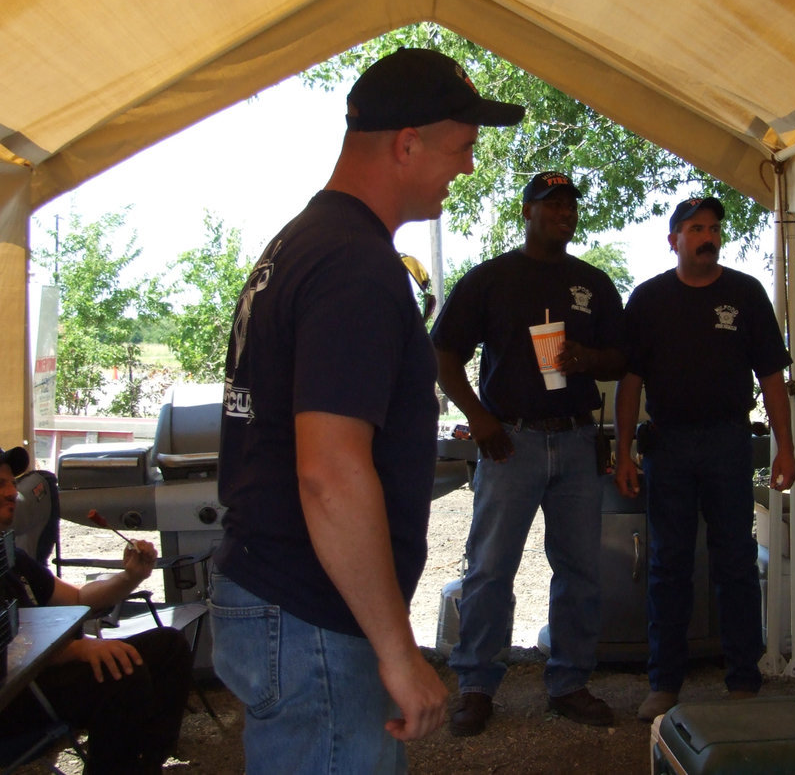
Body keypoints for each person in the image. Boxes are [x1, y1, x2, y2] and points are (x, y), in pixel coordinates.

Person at [213, 47, 525, 773]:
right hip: (311, 615)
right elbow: (328, 472)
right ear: (406, 144)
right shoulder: (353, 265)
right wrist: (398, 650)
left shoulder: (304, 243)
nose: (468, 167)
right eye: (462, 146)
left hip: (282, 597)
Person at [431, 171, 625, 736]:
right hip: (508, 443)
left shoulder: (593, 283)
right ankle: (476, 685)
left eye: (570, 205)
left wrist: (587, 359)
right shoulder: (491, 278)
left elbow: (623, 357)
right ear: (527, 212)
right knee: (491, 568)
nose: (564, 213)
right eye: (552, 204)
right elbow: (443, 353)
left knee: (580, 569)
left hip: (577, 440)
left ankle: (569, 683)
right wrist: (479, 417)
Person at [613, 196, 795, 723]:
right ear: (673, 240)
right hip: (667, 445)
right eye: (695, 228)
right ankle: (664, 683)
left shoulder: (745, 293)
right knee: (668, 565)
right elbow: (630, 382)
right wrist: (623, 452)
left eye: (713, 228)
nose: (707, 237)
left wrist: (785, 448)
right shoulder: (648, 298)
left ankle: (743, 679)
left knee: (736, 560)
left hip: (728, 442)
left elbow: (772, 377)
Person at [0, 445, 192, 774]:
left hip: (40, 676)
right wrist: (75, 649)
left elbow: (78, 599)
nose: (10, 493)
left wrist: (131, 576)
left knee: (168, 646)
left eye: (10, 482)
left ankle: (149, 763)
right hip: (13, 696)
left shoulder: (12, 558)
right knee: (121, 674)